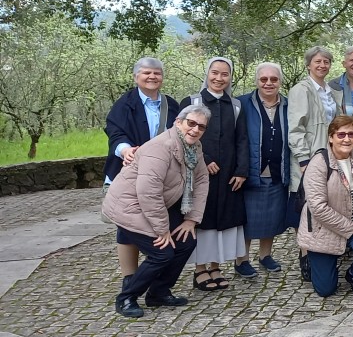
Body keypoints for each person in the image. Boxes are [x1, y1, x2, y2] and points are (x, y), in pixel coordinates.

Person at [102, 104, 211, 318]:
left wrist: (191, 219)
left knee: (187, 241)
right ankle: (126, 298)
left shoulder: (194, 148)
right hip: (128, 206)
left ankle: (158, 292)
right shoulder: (160, 148)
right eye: (191, 123)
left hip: (155, 204)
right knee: (162, 252)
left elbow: (201, 179)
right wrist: (162, 230)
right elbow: (148, 192)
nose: (195, 129)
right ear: (178, 122)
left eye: (201, 126)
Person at [103, 57, 181, 290]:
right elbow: (115, 133)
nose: (152, 77)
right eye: (147, 73)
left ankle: (154, 275)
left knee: (157, 218)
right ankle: (130, 277)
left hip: (161, 175)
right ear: (136, 76)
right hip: (130, 172)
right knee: (128, 226)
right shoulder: (124, 103)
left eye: (157, 73)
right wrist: (125, 150)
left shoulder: (171, 105)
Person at [298, 115, 353, 297]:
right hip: (324, 229)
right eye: (341, 134)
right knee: (326, 290)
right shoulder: (318, 163)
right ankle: (311, 258)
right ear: (331, 137)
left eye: (351, 134)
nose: (346, 139)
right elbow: (318, 208)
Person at [184, 57, 249, 291]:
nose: (219, 78)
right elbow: (184, 136)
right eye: (215, 73)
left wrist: (242, 171)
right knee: (203, 220)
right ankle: (200, 269)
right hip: (200, 174)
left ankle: (216, 266)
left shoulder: (236, 105)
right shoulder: (193, 101)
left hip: (229, 175)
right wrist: (205, 160)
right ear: (207, 73)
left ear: (230, 77)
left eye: (224, 74)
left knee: (223, 222)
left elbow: (242, 139)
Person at [288, 46, 346, 280]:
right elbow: (295, 128)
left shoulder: (331, 91)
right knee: (307, 206)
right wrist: (304, 159)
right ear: (308, 64)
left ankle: (323, 253)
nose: (322, 65)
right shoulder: (301, 90)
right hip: (310, 156)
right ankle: (306, 256)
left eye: (326, 62)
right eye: (318, 61)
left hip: (331, 155)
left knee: (327, 203)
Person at [236, 63, 290, 276]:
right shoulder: (242, 104)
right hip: (251, 170)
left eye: (273, 79)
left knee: (273, 215)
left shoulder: (288, 104)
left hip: (279, 169)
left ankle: (265, 255)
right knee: (248, 218)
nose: (268, 83)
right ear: (256, 81)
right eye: (264, 79)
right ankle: (242, 259)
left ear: (280, 81)